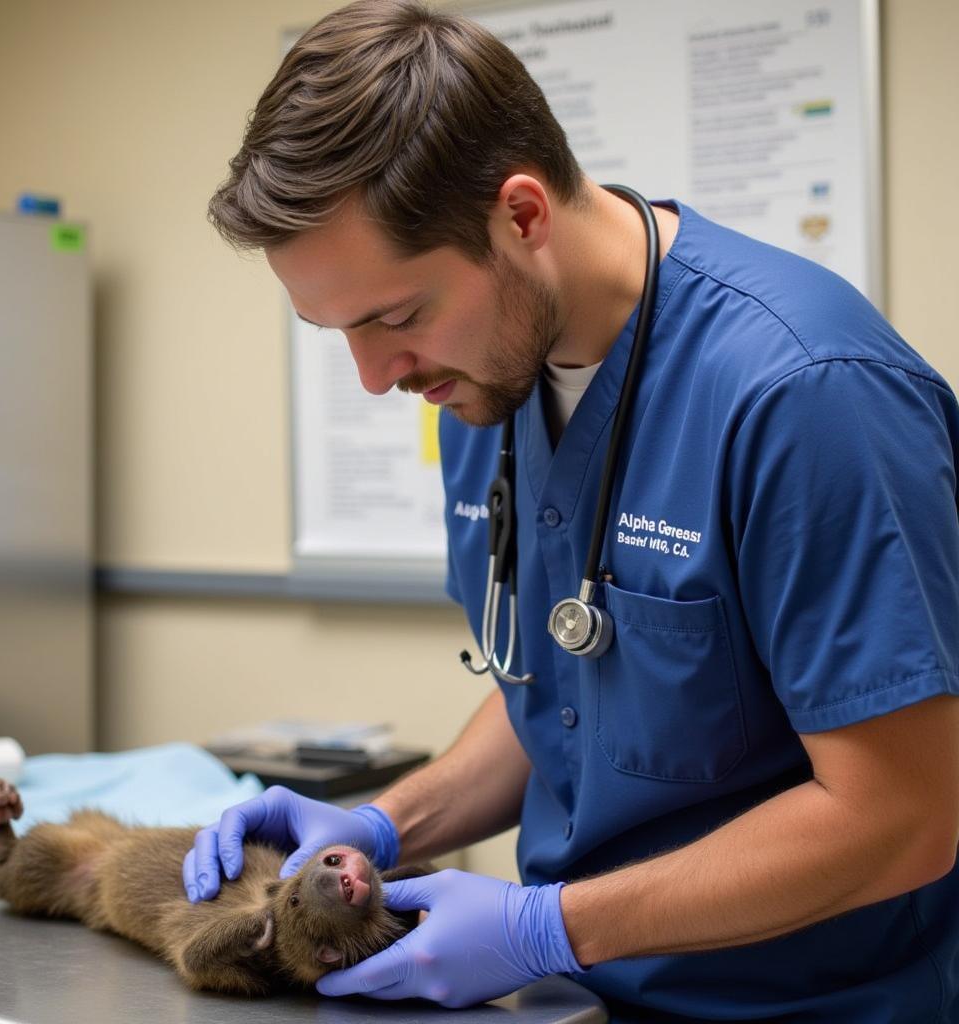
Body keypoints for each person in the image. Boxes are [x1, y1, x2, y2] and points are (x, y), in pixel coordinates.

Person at [183, 1, 959, 1019]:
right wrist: (385, 821)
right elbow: (565, 683)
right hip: (582, 995)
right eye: (339, 332)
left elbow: (899, 815)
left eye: (394, 315)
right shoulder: (482, 384)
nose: (375, 377)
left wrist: (544, 924)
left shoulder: (806, 395)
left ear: (521, 215)